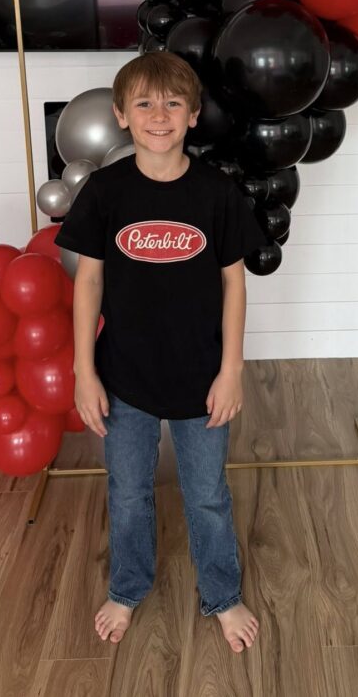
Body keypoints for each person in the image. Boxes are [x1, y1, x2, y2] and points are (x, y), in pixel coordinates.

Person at [55, 51, 265, 653]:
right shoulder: (104, 191)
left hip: (203, 378)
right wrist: (83, 372)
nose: (159, 114)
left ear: (194, 115)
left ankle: (222, 596)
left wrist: (231, 370)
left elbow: (234, 282)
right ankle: (126, 588)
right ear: (121, 115)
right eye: (144, 103)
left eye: (174, 102)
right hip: (125, 378)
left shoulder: (216, 192)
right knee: (127, 493)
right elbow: (87, 282)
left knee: (207, 494)